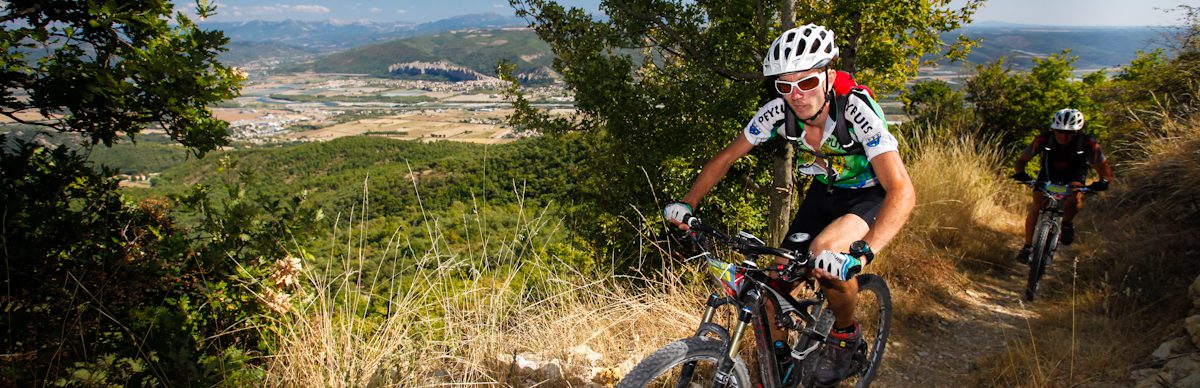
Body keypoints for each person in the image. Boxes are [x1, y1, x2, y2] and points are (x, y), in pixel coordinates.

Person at [661, 24, 915, 385]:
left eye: (807, 82)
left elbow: (903, 190)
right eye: (785, 85)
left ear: (828, 76)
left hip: (868, 194)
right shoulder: (778, 112)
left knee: (826, 255)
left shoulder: (856, 110)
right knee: (769, 288)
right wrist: (688, 202)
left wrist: (860, 255)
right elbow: (727, 157)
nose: (796, 94)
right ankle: (778, 368)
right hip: (823, 191)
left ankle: (845, 335)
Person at [1011, 108, 1113, 263]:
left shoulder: (1089, 144)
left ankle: (1066, 223)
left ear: (1078, 132)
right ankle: (1027, 246)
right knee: (1037, 203)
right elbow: (1021, 161)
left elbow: (1104, 169)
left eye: (1069, 133)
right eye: (1060, 131)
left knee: (1075, 195)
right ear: (1053, 129)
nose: (1064, 136)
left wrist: (1103, 182)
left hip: (1074, 174)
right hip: (1049, 172)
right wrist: (1021, 174)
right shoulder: (1043, 139)